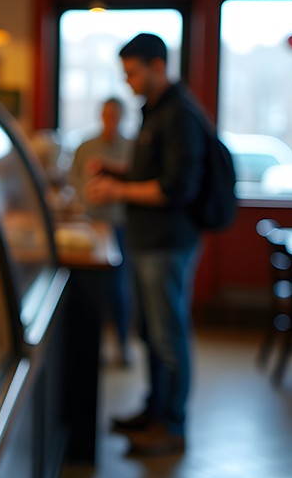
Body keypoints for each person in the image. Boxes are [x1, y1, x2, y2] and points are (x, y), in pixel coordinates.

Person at [85, 33, 206, 455]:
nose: (129, 82)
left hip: (168, 243)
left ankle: (172, 426)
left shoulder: (180, 115)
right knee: (151, 334)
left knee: (169, 336)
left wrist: (118, 192)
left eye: (133, 72)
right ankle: (155, 411)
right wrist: (117, 172)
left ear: (158, 67)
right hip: (148, 240)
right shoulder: (155, 111)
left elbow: (176, 189)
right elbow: (149, 175)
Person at [69, 97, 133, 366]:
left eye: (115, 115)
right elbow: (74, 180)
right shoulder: (86, 147)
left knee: (119, 289)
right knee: (89, 290)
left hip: (119, 224)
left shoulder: (131, 148)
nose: (110, 120)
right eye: (106, 114)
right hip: (90, 223)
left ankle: (122, 345)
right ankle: (88, 350)